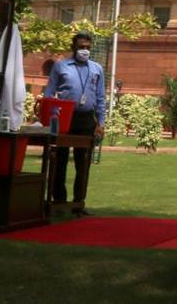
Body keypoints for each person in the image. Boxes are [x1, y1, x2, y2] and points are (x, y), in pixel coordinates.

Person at [43, 32, 105, 215]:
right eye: (81, 47)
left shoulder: (96, 69)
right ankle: (59, 202)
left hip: (87, 118)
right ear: (73, 47)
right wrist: (47, 116)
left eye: (87, 47)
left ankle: (79, 203)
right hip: (64, 116)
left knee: (83, 162)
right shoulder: (61, 66)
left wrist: (100, 123)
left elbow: (101, 97)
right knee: (59, 159)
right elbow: (49, 91)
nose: (84, 50)